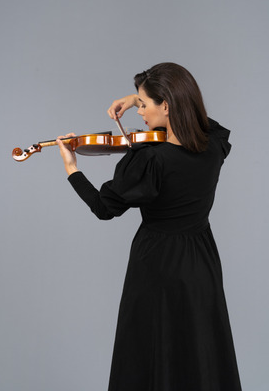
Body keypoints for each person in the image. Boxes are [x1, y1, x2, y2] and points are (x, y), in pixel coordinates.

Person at [57, 62, 242, 391]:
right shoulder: (213, 147)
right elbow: (207, 124)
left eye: (143, 105)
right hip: (202, 261)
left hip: (156, 264)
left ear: (166, 106)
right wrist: (136, 97)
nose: (138, 113)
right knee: (199, 348)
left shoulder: (151, 160)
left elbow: (104, 207)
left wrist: (73, 170)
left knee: (151, 350)